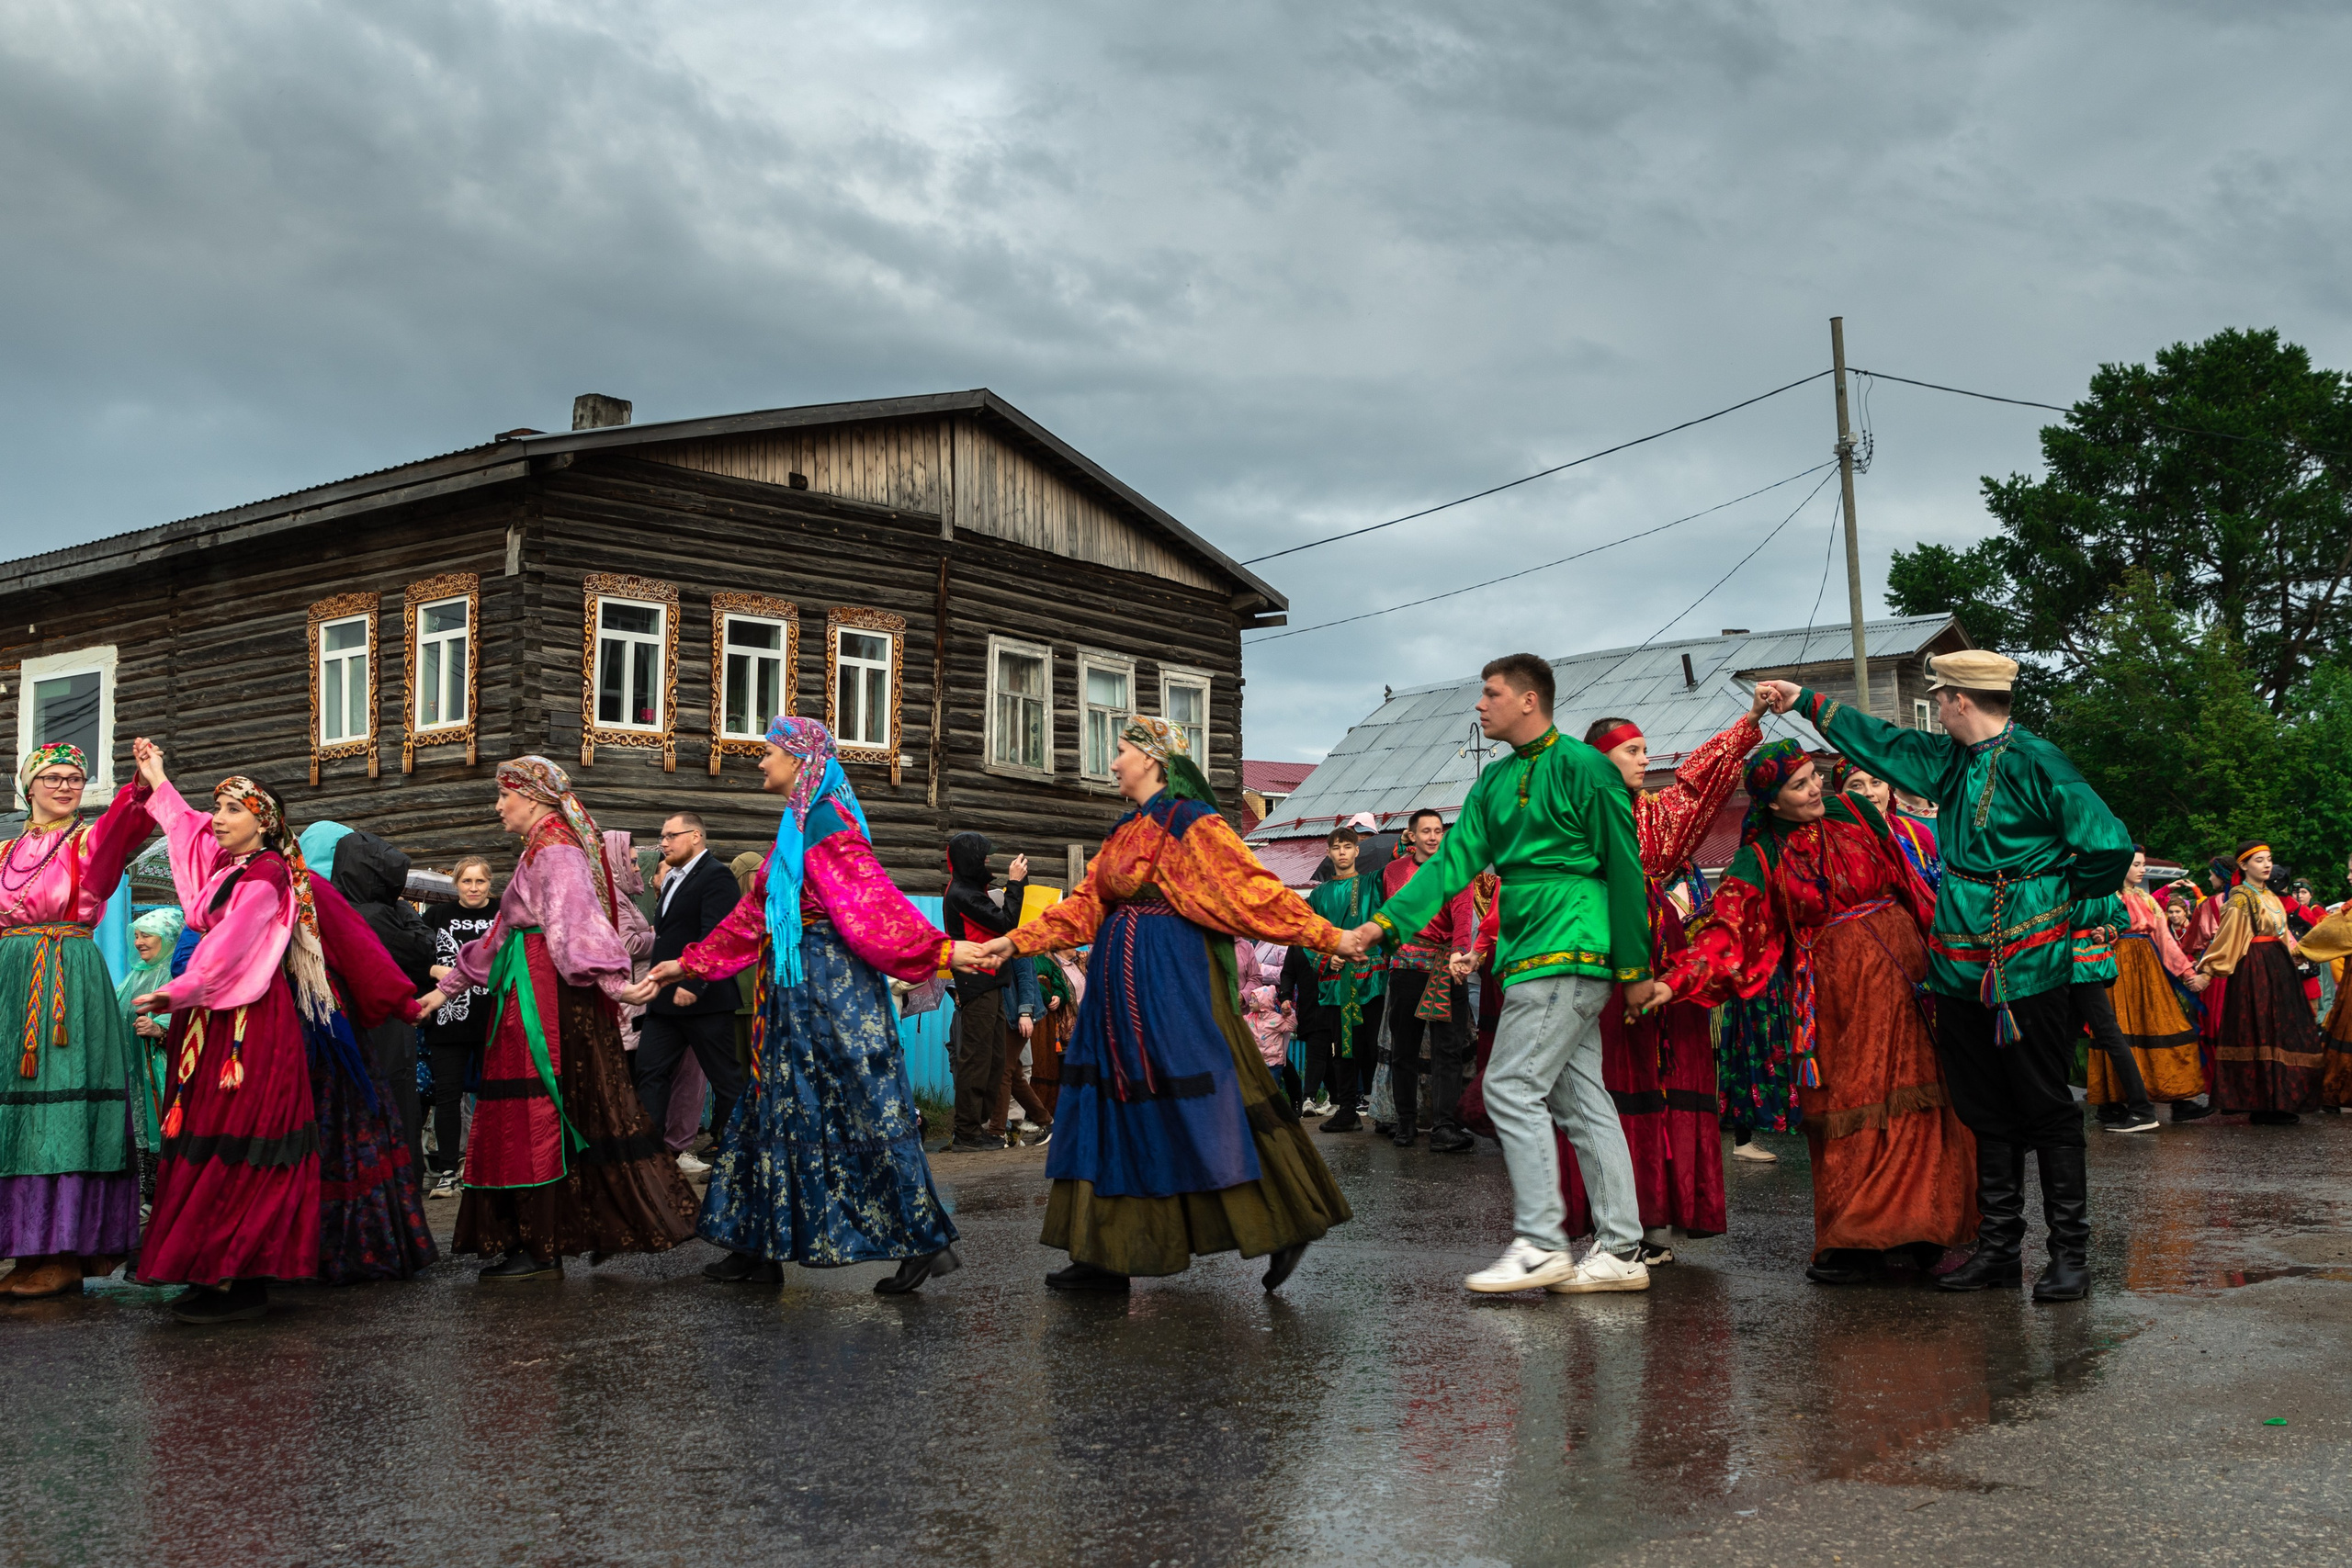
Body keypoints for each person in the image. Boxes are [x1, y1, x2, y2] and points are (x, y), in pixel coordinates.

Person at [1757, 652, 2133, 1304]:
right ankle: (1999, 1249)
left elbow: (2109, 844)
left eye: (1938, 698)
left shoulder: (2038, 760)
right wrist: (1805, 701)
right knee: (1984, 1108)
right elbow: (1884, 741)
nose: (1935, 708)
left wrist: (2055, 895)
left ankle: (2069, 1255)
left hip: (2028, 962)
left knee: (2045, 1105)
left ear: (1959, 700)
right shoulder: (1949, 761)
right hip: (1957, 964)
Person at [960, 716, 1358, 1293]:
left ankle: (1286, 1221)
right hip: (1117, 991)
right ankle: (1104, 1253)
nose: (1113, 761)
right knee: (1106, 1105)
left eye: (1121, 750)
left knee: (1205, 1104)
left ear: (1150, 759)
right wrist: (1014, 941)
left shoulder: (1192, 824)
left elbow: (1253, 892)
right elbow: (1085, 906)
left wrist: (1330, 936)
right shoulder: (1125, 831)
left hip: (1172, 983)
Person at [1354, 654, 1663, 1297]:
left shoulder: (1587, 768)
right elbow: (1450, 865)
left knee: (1511, 1085)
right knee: (1582, 1100)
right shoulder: (1492, 780)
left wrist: (1636, 968)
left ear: (1528, 699)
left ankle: (1542, 1242)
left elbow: (1625, 867)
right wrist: (1383, 925)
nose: (1479, 704)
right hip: (1529, 948)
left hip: (1571, 942)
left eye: (1490, 693)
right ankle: (1621, 1250)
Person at [637, 716, 961, 1293]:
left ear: (797, 759)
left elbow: (872, 901)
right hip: (792, 993)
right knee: (770, 1106)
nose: (761, 761)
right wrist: (689, 963)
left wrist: (942, 950)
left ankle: (923, 1241)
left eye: (769, 752)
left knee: (859, 1105)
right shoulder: (797, 823)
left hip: (831, 993)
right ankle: (756, 1245)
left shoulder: (827, 822)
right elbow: (754, 914)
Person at [1638, 741, 1976, 1284]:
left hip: (1904, 972)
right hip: (1837, 991)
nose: (1816, 788)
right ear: (1772, 802)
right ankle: (1857, 1238)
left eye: (1813, 776)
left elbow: (1910, 877)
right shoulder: (1760, 857)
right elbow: (1728, 931)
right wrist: (1672, 981)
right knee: (1851, 1102)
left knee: (1919, 1095)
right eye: (1799, 785)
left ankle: (1926, 1227)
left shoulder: (1856, 811)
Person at [127, 741, 437, 1321]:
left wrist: (401, 999)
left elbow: (267, 944)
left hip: (254, 1023)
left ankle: (244, 1274)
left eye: (234, 810)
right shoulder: (226, 868)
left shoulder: (276, 877)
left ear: (265, 822)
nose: (218, 819)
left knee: (249, 1141)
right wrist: (158, 779)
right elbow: (186, 830)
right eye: (218, 808)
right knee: (211, 1139)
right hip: (213, 1019)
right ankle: (211, 1267)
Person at [415, 757, 698, 1281]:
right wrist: (444, 990)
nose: (499, 806)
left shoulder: (556, 850)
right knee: (527, 1110)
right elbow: (500, 933)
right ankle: (535, 1239)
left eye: (505, 795)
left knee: (537, 1109)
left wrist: (614, 984)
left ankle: (541, 1244)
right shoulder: (540, 847)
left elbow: (575, 925)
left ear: (533, 798)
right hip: (526, 986)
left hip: (542, 996)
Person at [1577, 699, 1765, 1261]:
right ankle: (1619, 1224)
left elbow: (1699, 781)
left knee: (1669, 1078)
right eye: (1633, 751)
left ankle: (1661, 1220)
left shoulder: (1656, 814)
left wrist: (1749, 722)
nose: (1645, 760)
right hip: (1606, 951)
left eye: (1645, 749)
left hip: (1664, 952)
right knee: (1616, 1082)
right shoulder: (1575, 817)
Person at [0, 743, 154, 1299]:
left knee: (61, 1108)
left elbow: (125, 824)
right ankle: (24, 1248)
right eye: (54, 777)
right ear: (29, 787)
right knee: (14, 1110)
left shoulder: (88, 841)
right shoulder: (3, 851)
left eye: (75, 778)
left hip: (66, 973)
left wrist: (141, 785)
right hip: (10, 979)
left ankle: (63, 1250)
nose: (66, 786)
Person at [322, 826, 439, 1189]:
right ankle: (398, 1185)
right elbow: (422, 950)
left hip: (344, 1022)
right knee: (394, 1101)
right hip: (383, 1021)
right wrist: (402, 910)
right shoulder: (376, 914)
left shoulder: (332, 907)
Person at [636, 812, 749, 1172]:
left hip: (704, 1000)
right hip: (664, 1004)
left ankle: (741, 1158)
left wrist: (695, 982)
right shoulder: (671, 878)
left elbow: (716, 935)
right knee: (649, 1072)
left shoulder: (717, 876)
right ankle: (651, 1162)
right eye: (662, 836)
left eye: (671, 835)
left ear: (696, 835)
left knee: (726, 1080)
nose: (663, 843)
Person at [2195, 841, 2326, 1122]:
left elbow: (2282, 933)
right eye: (2259, 860)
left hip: (2278, 967)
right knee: (2259, 1030)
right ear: (2243, 866)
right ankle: (2262, 1103)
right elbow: (2228, 939)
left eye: (2269, 859)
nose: (2267, 865)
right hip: (2254, 969)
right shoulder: (2240, 898)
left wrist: (2294, 955)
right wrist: (2208, 973)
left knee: (2281, 1030)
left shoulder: (2270, 896)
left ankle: (2280, 1098)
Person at [1378, 808, 1478, 1152]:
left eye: (1438, 830)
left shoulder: (1456, 871)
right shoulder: (1393, 872)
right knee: (1403, 1049)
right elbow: (1390, 915)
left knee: (1447, 1051)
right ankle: (1405, 1122)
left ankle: (1444, 1127)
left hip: (1447, 966)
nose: (1433, 836)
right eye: (1426, 831)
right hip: (1406, 969)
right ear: (1411, 835)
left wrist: (1459, 953)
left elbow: (1463, 917)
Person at [2091, 848, 2209, 1125]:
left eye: (2143, 864)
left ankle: (2179, 1098)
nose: (2142, 870)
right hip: (2117, 968)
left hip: (2149, 969)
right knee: (2120, 1030)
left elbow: (2164, 939)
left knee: (2165, 1024)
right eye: (2136, 864)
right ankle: (2112, 1102)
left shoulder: (2146, 899)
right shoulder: (2105, 897)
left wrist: (2186, 971)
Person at [943, 832, 1030, 1152]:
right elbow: (1006, 923)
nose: (988, 861)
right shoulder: (963, 894)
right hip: (976, 982)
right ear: (971, 861)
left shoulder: (971, 890)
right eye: (983, 857)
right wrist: (1015, 884)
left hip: (991, 982)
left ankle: (975, 1128)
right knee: (976, 1059)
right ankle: (966, 1132)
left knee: (994, 1059)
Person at [422, 856, 498, 1197]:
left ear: (490, 883)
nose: (474, 888)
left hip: (493, 1020)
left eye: (480, 881)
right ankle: (448, 1171)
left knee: (494, 1095)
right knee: (448, 1097)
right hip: (448, 1022)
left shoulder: (502, 913)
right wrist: (431, 970)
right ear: (456, 884)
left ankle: (489, 1165)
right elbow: (414, 955)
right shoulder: (437, 916)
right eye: (467, 881)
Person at [1306, 823, 1385, 1133]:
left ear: (1356, 851)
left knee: (1376, 1046)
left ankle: (1384, 1110)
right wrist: (1327, 958)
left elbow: (1400, 875)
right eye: (1336, 848)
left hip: (1370, 977)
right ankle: (1348, 1110)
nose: (1342, 853)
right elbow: (1308, 936)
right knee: (1342, 1048)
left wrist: (1405, 845)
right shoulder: (1318, 894)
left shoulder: (1371, 883)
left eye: (1347, 847)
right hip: (1336, 982)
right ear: (1329, 853)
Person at [117, 906, 186, 1213]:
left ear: (168, 936)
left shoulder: (178, 974)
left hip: (165, 1071)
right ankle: (148, 1197)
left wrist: (160, 1030)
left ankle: (168, 1199)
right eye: (136, 936)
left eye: (147, 935)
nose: (139, 942)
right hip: (135, 1072)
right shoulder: (134, 977)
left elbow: (190, 1018)